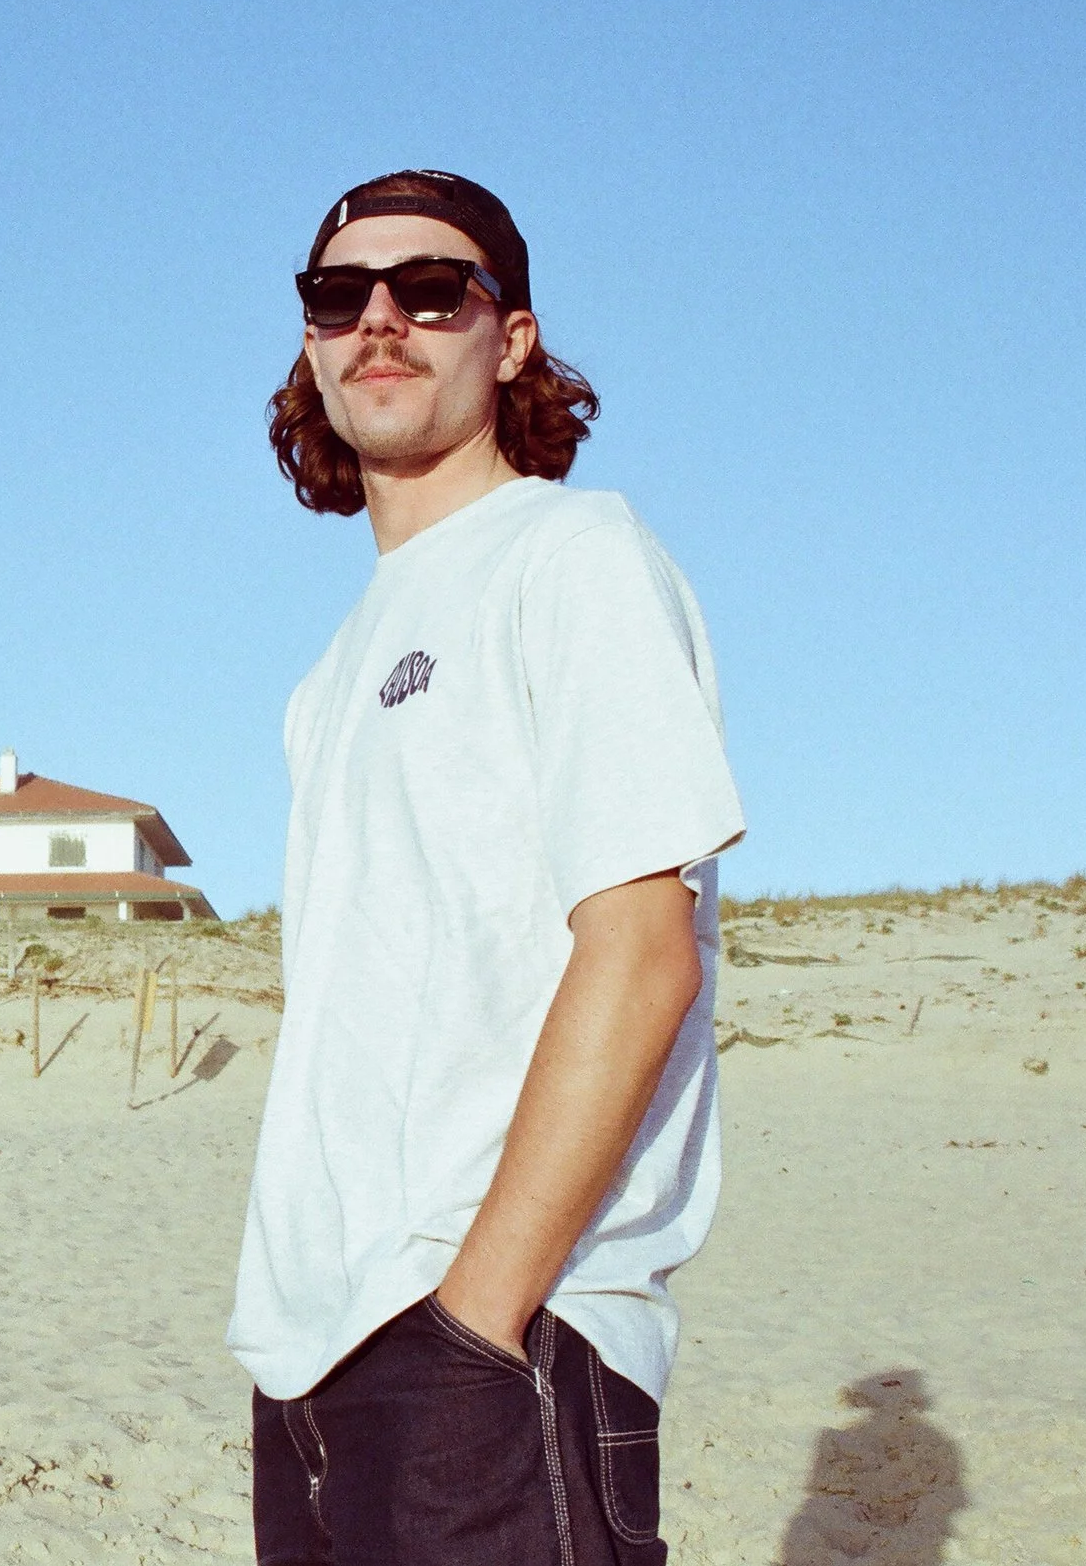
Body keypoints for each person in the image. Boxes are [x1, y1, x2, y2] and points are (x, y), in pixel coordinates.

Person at [229, 172, 745, 1565]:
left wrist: (477, 1317)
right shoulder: (330, 672)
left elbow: (644, 951)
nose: (381, 319)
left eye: (432, 288)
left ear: (510, 336)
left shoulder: (574, 555)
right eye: (339, 296)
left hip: (494, 1336)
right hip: (312, 1358)